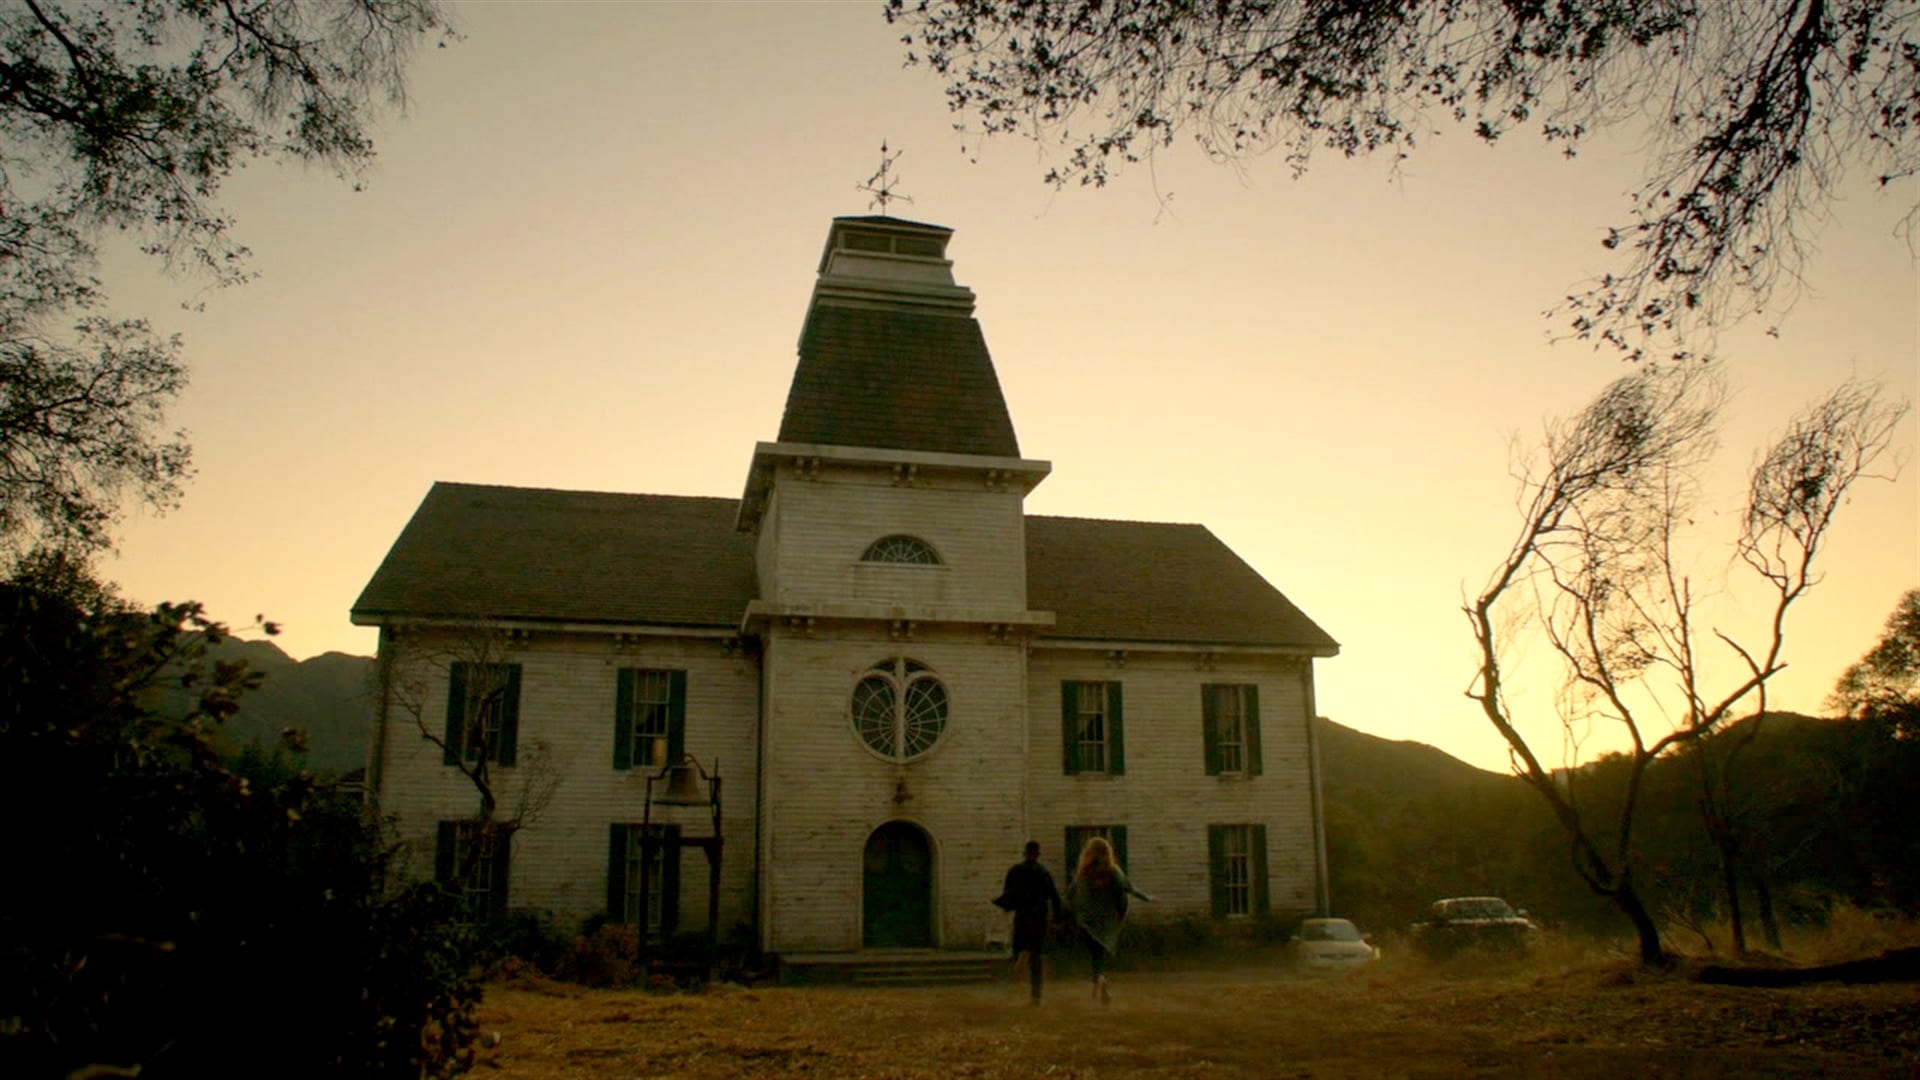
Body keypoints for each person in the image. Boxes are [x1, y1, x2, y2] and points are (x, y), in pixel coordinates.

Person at [1065, 835, 1152, 1005]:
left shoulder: (1084, 872)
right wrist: (1147, 898)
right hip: (1105, 922)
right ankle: (1100, 979)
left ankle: (1098, 981)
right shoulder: (1113, 871)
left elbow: (1071, 893)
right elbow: (1128, 888)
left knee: (1094, 954)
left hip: (1087, 922)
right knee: (1099, 954)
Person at [993, 840, 1063, 1004]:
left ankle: (1016, 972)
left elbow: (1009, 893)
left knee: (1019, 946)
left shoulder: (1016, 871)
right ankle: (1036, 994)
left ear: (1025, 853)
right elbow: (1054, 897)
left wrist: (1005, 906)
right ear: (1037, 854)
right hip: (1039, 917)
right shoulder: (1043, 873)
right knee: (1036, 956)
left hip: (1023, 915)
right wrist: (1057, 919)